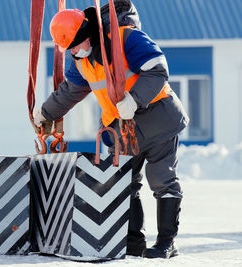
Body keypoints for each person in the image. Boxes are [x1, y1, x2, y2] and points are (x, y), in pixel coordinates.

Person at [33, 1, 189, 259]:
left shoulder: (127, 38)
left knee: (162, 179)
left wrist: (134, 99)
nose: (72, 52)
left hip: (158, 118)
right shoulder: (81, 59)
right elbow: (70, 92)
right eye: (68, 48)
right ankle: (133, 243)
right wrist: (45, 113)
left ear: (86, 36)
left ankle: (166, 243)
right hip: (122, 130)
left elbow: (158, 71)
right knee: (125, 184)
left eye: (74, 45)